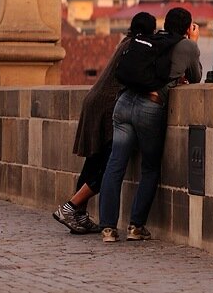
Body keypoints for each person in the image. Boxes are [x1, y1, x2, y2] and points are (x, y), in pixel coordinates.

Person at [97, 7, 202, 243]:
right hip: (150, 106)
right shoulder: (185, 45)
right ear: (188, 27)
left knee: (115, 165)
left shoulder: (152, 39)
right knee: (150, 167)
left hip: (124, 102)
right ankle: (135, 226)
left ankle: (107, 228)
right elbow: (195, 77)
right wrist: (193, 42)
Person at [52, 12, 157, 234]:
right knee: (107, 167)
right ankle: (70, 208)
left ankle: (77, 214)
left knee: (94, 162)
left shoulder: (125, 43)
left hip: (94, 103)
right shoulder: (137, 48)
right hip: (108, 108)